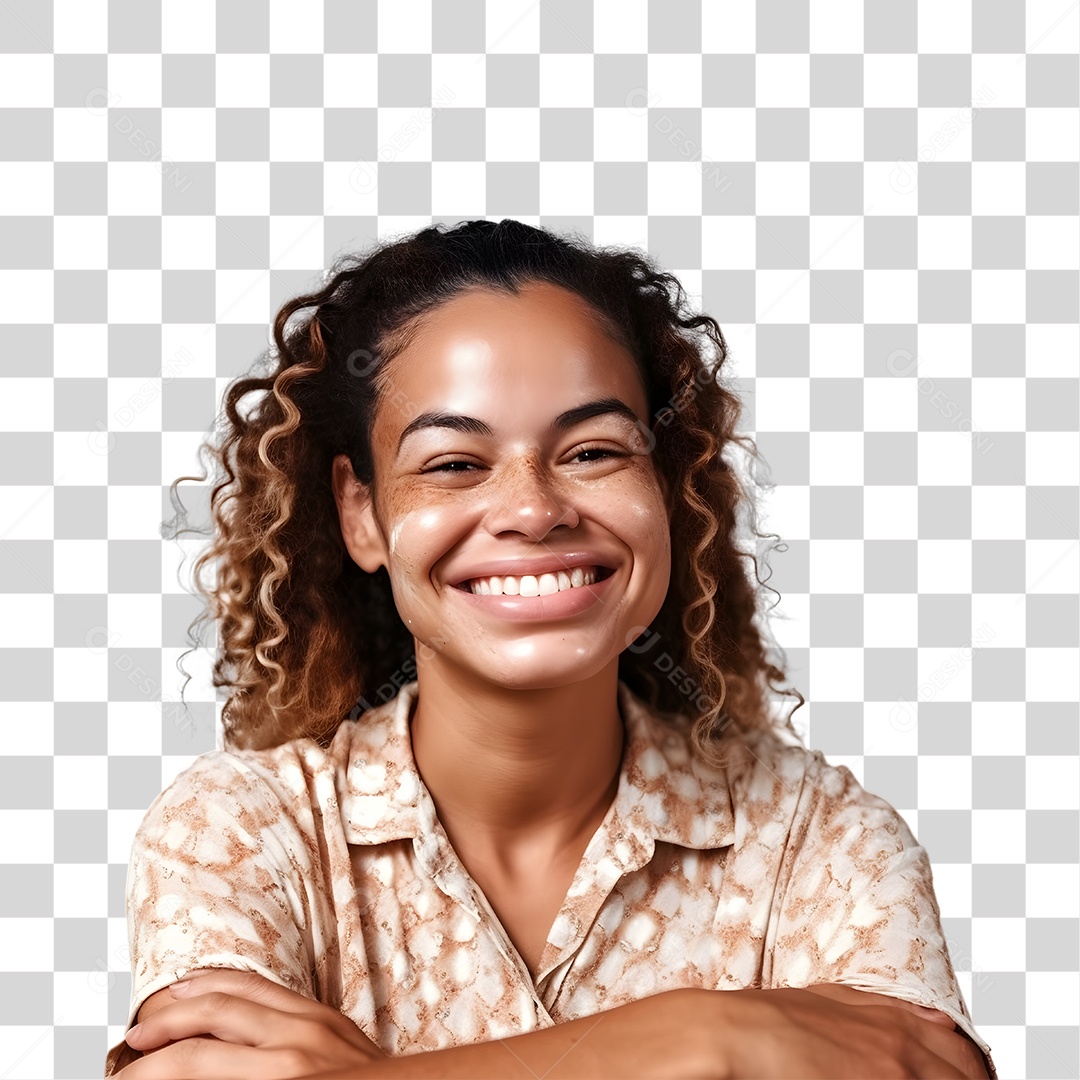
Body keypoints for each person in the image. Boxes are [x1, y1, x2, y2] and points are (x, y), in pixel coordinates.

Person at [105, 218, 996, 1078]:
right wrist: (704, 1038)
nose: (534, 510)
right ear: (360, 513)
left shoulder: (821, 837)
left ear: (668, 483)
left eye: (594, 451)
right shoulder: (242, 831)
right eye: (454, 463)